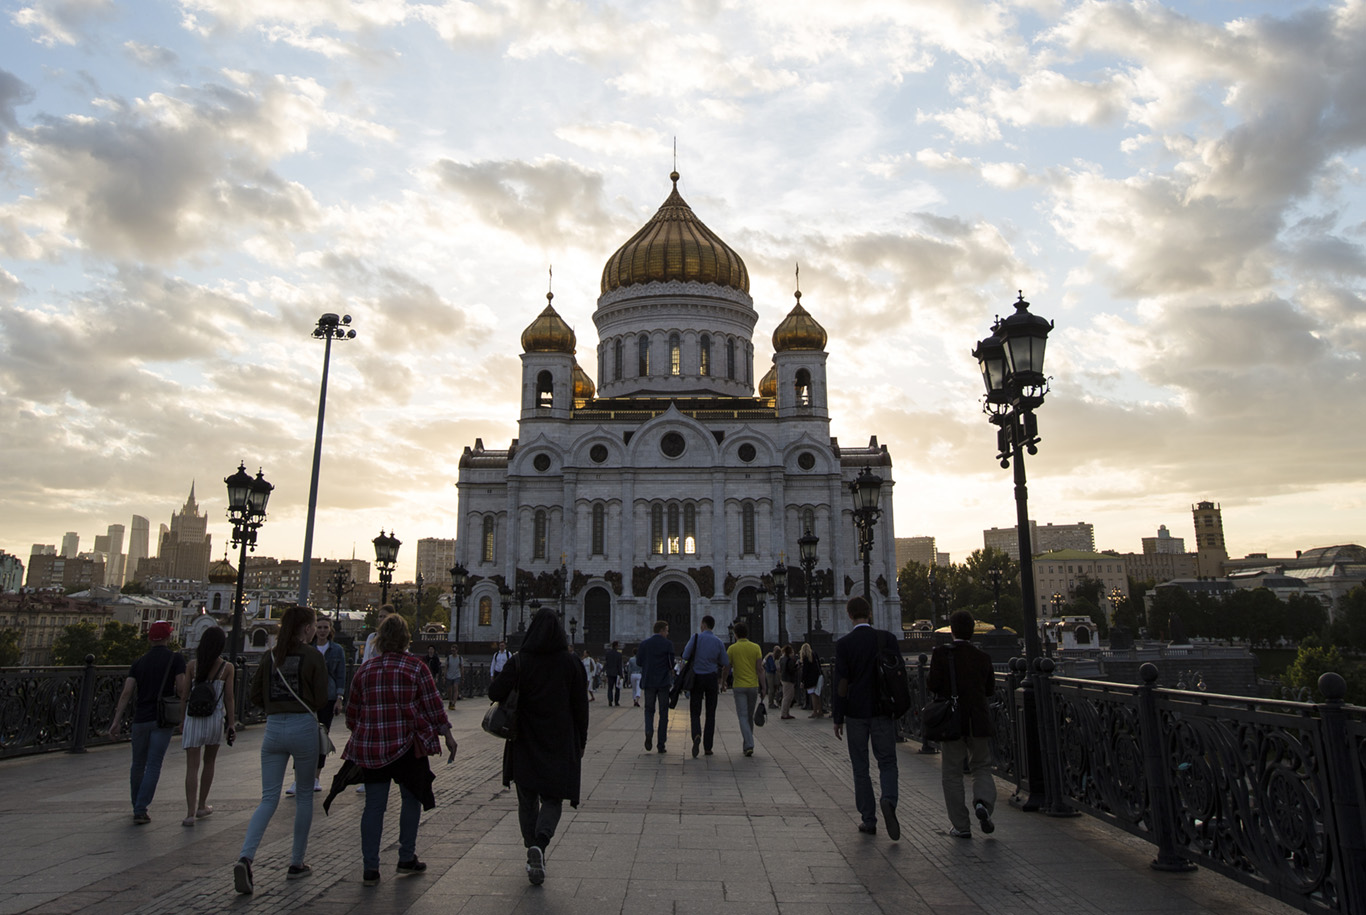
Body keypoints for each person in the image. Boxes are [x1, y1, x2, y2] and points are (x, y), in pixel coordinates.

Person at [344, 614, 457, 886]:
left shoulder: (365, 670)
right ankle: (406, 857)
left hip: (374, 749)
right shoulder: (416, 668)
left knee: (374, 807)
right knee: (410, 800)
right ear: (407, 639)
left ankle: (370, 868)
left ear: (380, 640)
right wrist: (448, 736)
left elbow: (352, 714)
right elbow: (433, 706)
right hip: (408, 747)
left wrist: (369, 730)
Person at [489, 607, 589, 886]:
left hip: (524, 739)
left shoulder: (520, 662)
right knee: (554, 797)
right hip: (559, 739)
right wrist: (581, 739)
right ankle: (541, 845)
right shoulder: (571, 663)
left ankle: (531, 846)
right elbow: (581, 707)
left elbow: (493, 693)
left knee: (527, 798)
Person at [233, 605, 328, 894]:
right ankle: (296, 863)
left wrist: (276, 707)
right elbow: (322, 696)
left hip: (273, 729)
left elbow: (253, 695)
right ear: (307, 628)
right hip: (303, 728)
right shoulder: (313, 655)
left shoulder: (270, 656)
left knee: (268, 799)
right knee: (303, 797)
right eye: (313, 625)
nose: (315, 629)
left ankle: (246, 857)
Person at [832, 596, 903, 840]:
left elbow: (841, 683)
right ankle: (889, 800)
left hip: (855, 713)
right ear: (870, 613)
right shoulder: (887, 639)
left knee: (860, 766)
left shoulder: (845, 644)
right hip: (882, 711)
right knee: (887, 761)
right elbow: (898, 675)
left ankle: (868, 819)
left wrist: (837, 716)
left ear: (849, 615)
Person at [108, 620, 187, 825]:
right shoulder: (175, 659)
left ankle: (137, 805)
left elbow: (127, 692)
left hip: (140, 719)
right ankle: (141, 809)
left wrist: (116, 721)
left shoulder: (138, 662)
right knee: (154, 764)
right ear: (168, 637)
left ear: (150, 638)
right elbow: (180, 688)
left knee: (138, 764)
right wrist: (184, 715)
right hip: (162, 719)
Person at [929, 609, 997, 839]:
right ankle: (983, 804)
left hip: (952, 722)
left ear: (952, 631)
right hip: (978, 721)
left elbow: (933, 685)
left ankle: (961, 825)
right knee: (981, 766)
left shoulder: (940, 654)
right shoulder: (983, 657)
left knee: (952, 773)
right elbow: (989, 690)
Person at [179, 625, 235, 826]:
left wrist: (182, 720)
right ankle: (202, 805)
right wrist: (231, 724)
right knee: (209, 762)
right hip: (214, 719)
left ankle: (189, 813)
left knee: (191, 767)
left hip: (193, 718)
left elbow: (185, 695)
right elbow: (229, 698)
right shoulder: (227, 668)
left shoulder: (193, 666)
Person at [290, 614, 345, 797]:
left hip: (327, 698)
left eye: (325, 628)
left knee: (321, 737)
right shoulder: (307, 649)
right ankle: (298, 779)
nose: (322, 631)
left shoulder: (336, 650)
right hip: (307, 698)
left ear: (330, 630)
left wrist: (339, 698)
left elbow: (340, 676)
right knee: (302, 737)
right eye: (319, 627)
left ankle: (315, 777)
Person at [681, 616, 728, 758]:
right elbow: (725, 661)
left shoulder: (695, 638)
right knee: (711, 713)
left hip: (697, 678)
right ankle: (708, 747)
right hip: (711, 678)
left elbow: (685, 655)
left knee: (695, 710)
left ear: (703, 624)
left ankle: (696, 734)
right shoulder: (718, 641)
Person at [725, 621, 767, 757]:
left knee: (743, 716)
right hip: (753, 686)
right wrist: (764, 686)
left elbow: (727, 667)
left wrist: (723, 682)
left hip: (739, 687)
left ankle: (749, 743)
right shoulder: (755, 647)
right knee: (749, 716)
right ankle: (747, 745)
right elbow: (760, 669)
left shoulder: (732, 648)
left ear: (735, 634)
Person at [635, 620, 674, 752]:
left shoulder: (644, 644)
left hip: (649, 681)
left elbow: (639, 661)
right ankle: (661, 744)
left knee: (649, 710)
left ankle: (649, 731)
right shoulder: (668, 644)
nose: (667, 633)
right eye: (667, 631)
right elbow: (671, 664)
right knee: (663, 713)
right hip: (663, 683)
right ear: (662, 630)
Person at [801, 642, 826, 718]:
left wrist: (802, 680)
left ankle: (815, 711)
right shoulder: (814, 655)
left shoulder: (805, 658)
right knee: (818, 695)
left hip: (810, 679)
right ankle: (820, 710)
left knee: (813, 695)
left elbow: (805, 671)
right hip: (817, 677)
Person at [779, 644, 799, 719]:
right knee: (788, 697)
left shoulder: (782, 659)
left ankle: (786, 713)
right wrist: (797, 666)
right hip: (789, 679)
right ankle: (784, 713)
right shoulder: (789, 660)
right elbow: (791, 670)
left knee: (786, 696)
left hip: (784, 678)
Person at [603, 641, 624, 707]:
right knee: (617, 688)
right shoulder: (619, 654)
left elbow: (606, 663)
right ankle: (616, 701)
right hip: (617, 673)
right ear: (616, 646)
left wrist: (604, 671)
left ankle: (610, 700)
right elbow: (619, 665)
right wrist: (621, 674)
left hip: (609, 673)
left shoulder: (608, 653)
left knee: (610, 688)